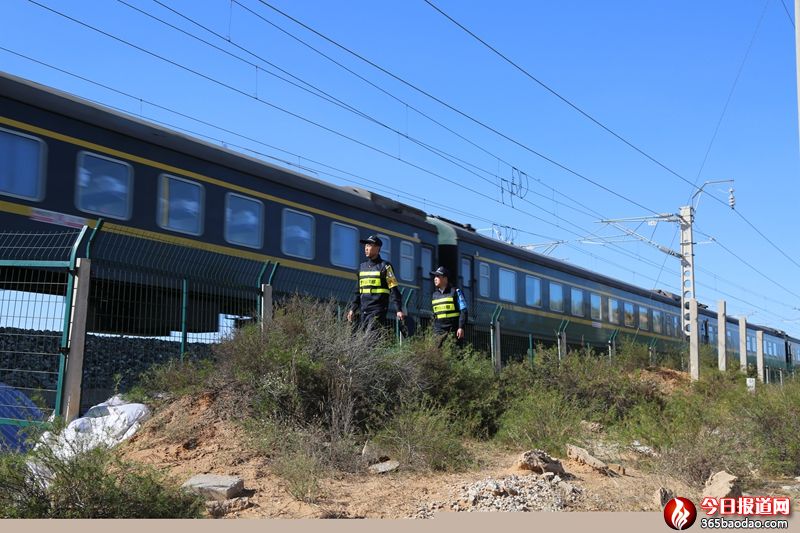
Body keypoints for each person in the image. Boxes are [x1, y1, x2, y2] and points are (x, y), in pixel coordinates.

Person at [347, 235, 405, 332]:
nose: (366, 247)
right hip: (364, 310)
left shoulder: (386, 266)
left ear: (377, 248)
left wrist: (399, 309)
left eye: (369, 245)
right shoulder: (362, 267)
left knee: (369, 338)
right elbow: (358, 291)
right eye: (365, 245)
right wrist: (352, 309)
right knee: (365, 342)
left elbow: (394, 289)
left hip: (378, 310)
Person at [430, 266, 467, 347]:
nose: (435, 279)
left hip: (453, 331)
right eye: (434, 276)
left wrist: (461, 327)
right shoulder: (434, 295)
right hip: (438, 332)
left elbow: (463, 311)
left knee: (455, 356)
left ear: (445, 278)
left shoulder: (456, 292)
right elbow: (434, 314)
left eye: (438, 276)